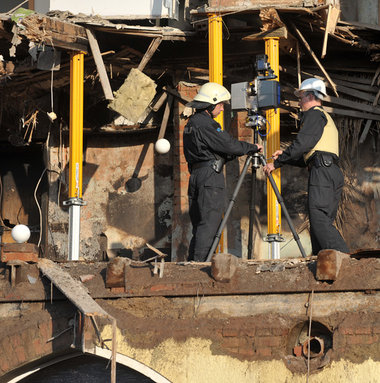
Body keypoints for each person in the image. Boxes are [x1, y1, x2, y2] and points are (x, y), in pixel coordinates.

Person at [263, 78, 349, 255]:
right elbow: (306, 156)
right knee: (321, 221)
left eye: (301, 97)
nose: (299, 101)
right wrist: (286, 158)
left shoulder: (314, 114)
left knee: (318, 219)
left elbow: (302, 144)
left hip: (322, 172)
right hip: (328, 170)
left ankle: (344, 258)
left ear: (310, 96)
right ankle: (321, 260)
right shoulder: (324, 117)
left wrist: (276, 163)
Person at [183, 82, 263, 262]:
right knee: (209, 223)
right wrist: (251, 147)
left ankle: (193, 263)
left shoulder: (192, 124)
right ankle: (199, 265)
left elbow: (215, 150)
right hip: (209, 177)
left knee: (200, 225)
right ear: (211, 104)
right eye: (220, 105)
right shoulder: (206, 124)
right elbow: (228, 144)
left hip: (197, 175)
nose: (221, 109)